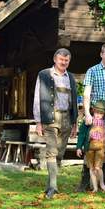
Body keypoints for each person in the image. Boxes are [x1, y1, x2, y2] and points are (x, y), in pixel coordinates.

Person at [76, 43, 105, 192]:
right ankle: (85, 181)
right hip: (95, 114)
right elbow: (87, 94)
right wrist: (87, 113)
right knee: (89, 145)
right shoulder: (92, 71)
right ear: (101, 54)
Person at [33, 48, 78, 199]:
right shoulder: (44, 74)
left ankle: (50, 184)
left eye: (66, 60)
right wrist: (38, 121)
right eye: (61, 59)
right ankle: (53, 187)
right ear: (55, 59)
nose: (63, 62)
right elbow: (37, 99)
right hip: (50, 118)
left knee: (59, 153)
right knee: (51, 151)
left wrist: (75, 122)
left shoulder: (70, 77)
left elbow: (74, 101)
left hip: (66, 119)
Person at [76, 100, 105, 192]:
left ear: (104, 114)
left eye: (101, 113)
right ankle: (95, 187)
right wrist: (79, 147)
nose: (98, 114)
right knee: (91, 168)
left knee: (98, 167)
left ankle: (102, 184)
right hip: (89, 146)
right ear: (93, 111)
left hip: (101, 146)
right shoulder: (89, 121)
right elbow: (82, 134)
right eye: (96, 112)